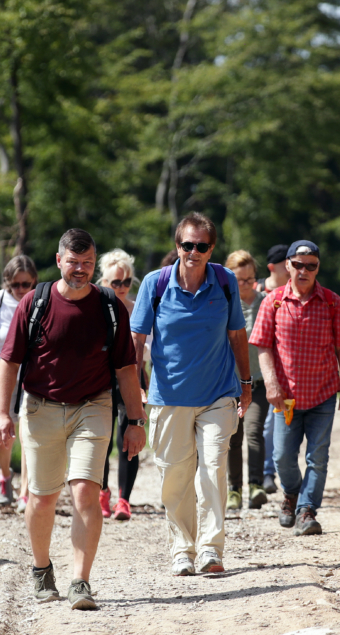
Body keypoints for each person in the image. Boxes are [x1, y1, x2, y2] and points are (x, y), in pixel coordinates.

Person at [0, 229, 146, 610]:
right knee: (43, 499)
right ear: (59, 260)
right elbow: (9, 362)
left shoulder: (109, 305)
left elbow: (127, 368)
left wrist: (136, 421)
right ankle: (42, 569)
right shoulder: (36, 302)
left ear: (95, 264)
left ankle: (81, 582)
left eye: (88, 263)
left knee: (84, 493)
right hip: (41, 407)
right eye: (74, 262)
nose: (81, 270)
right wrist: (1, 412)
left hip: (93, 406)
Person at [131, 212, 251, 576]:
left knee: (213, 469)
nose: (193, 252)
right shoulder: (155, 284)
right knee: (175, 478)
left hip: (217, 395)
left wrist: (246, 384)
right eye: (187, 244)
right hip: (168, 397)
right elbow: (136, 340)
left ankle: (211, 550)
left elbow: (237, 337)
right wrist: (135, 385)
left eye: (201, 246)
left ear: (211, 249)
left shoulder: (225, 281)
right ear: (177, 245)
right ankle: (182, 548)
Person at [250, 240, 340, 537]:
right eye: (298, 264)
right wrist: (271, 384)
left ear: (318, 268)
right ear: (288, 266)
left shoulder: (333, 302)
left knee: (317, 457)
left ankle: (307, 510)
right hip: (286, 399)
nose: (304, 270)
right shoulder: (273, 301)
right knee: (282, 456)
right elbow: (263, 348)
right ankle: (292, 493)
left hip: (322, 394)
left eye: (311, 265)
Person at [0, 255, 38, 511]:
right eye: (16, 285)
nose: (21, 290)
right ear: (8, 283)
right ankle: (5, 475)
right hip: (1, 374)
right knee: (4, 437)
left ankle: (26, 493)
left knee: (27, 435)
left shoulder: (39, 300)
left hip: (30, 375)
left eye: (26, 284)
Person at [96, 249, 149, 521]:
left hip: (131, 380)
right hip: (100, 381)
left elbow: (148, 348)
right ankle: (103, 492)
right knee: (102, 441)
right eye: (115, 282)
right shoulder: (93, 307)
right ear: (103, 281)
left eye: (126, 282)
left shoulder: (136, 308)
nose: (121, 287)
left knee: (129, 438)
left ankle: (124, 500)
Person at [224, 250, 270, 511]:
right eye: (240, 280)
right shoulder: (224, 303)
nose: (245, 285)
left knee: (254, 433)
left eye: (250, 279)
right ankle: (234, 490)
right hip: (229, 384)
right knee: (234, 437)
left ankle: (256, 486)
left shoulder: (266, 302)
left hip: (259, 382)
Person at [255, 243, 290, 494]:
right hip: (259, 368)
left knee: (276, 422)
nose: (291, 269)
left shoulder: (296, 292)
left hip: (286, 368)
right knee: (263, 425)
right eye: (285, 264)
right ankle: (262, 473)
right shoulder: (256, 291)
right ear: (272, 267)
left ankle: (269, 472)